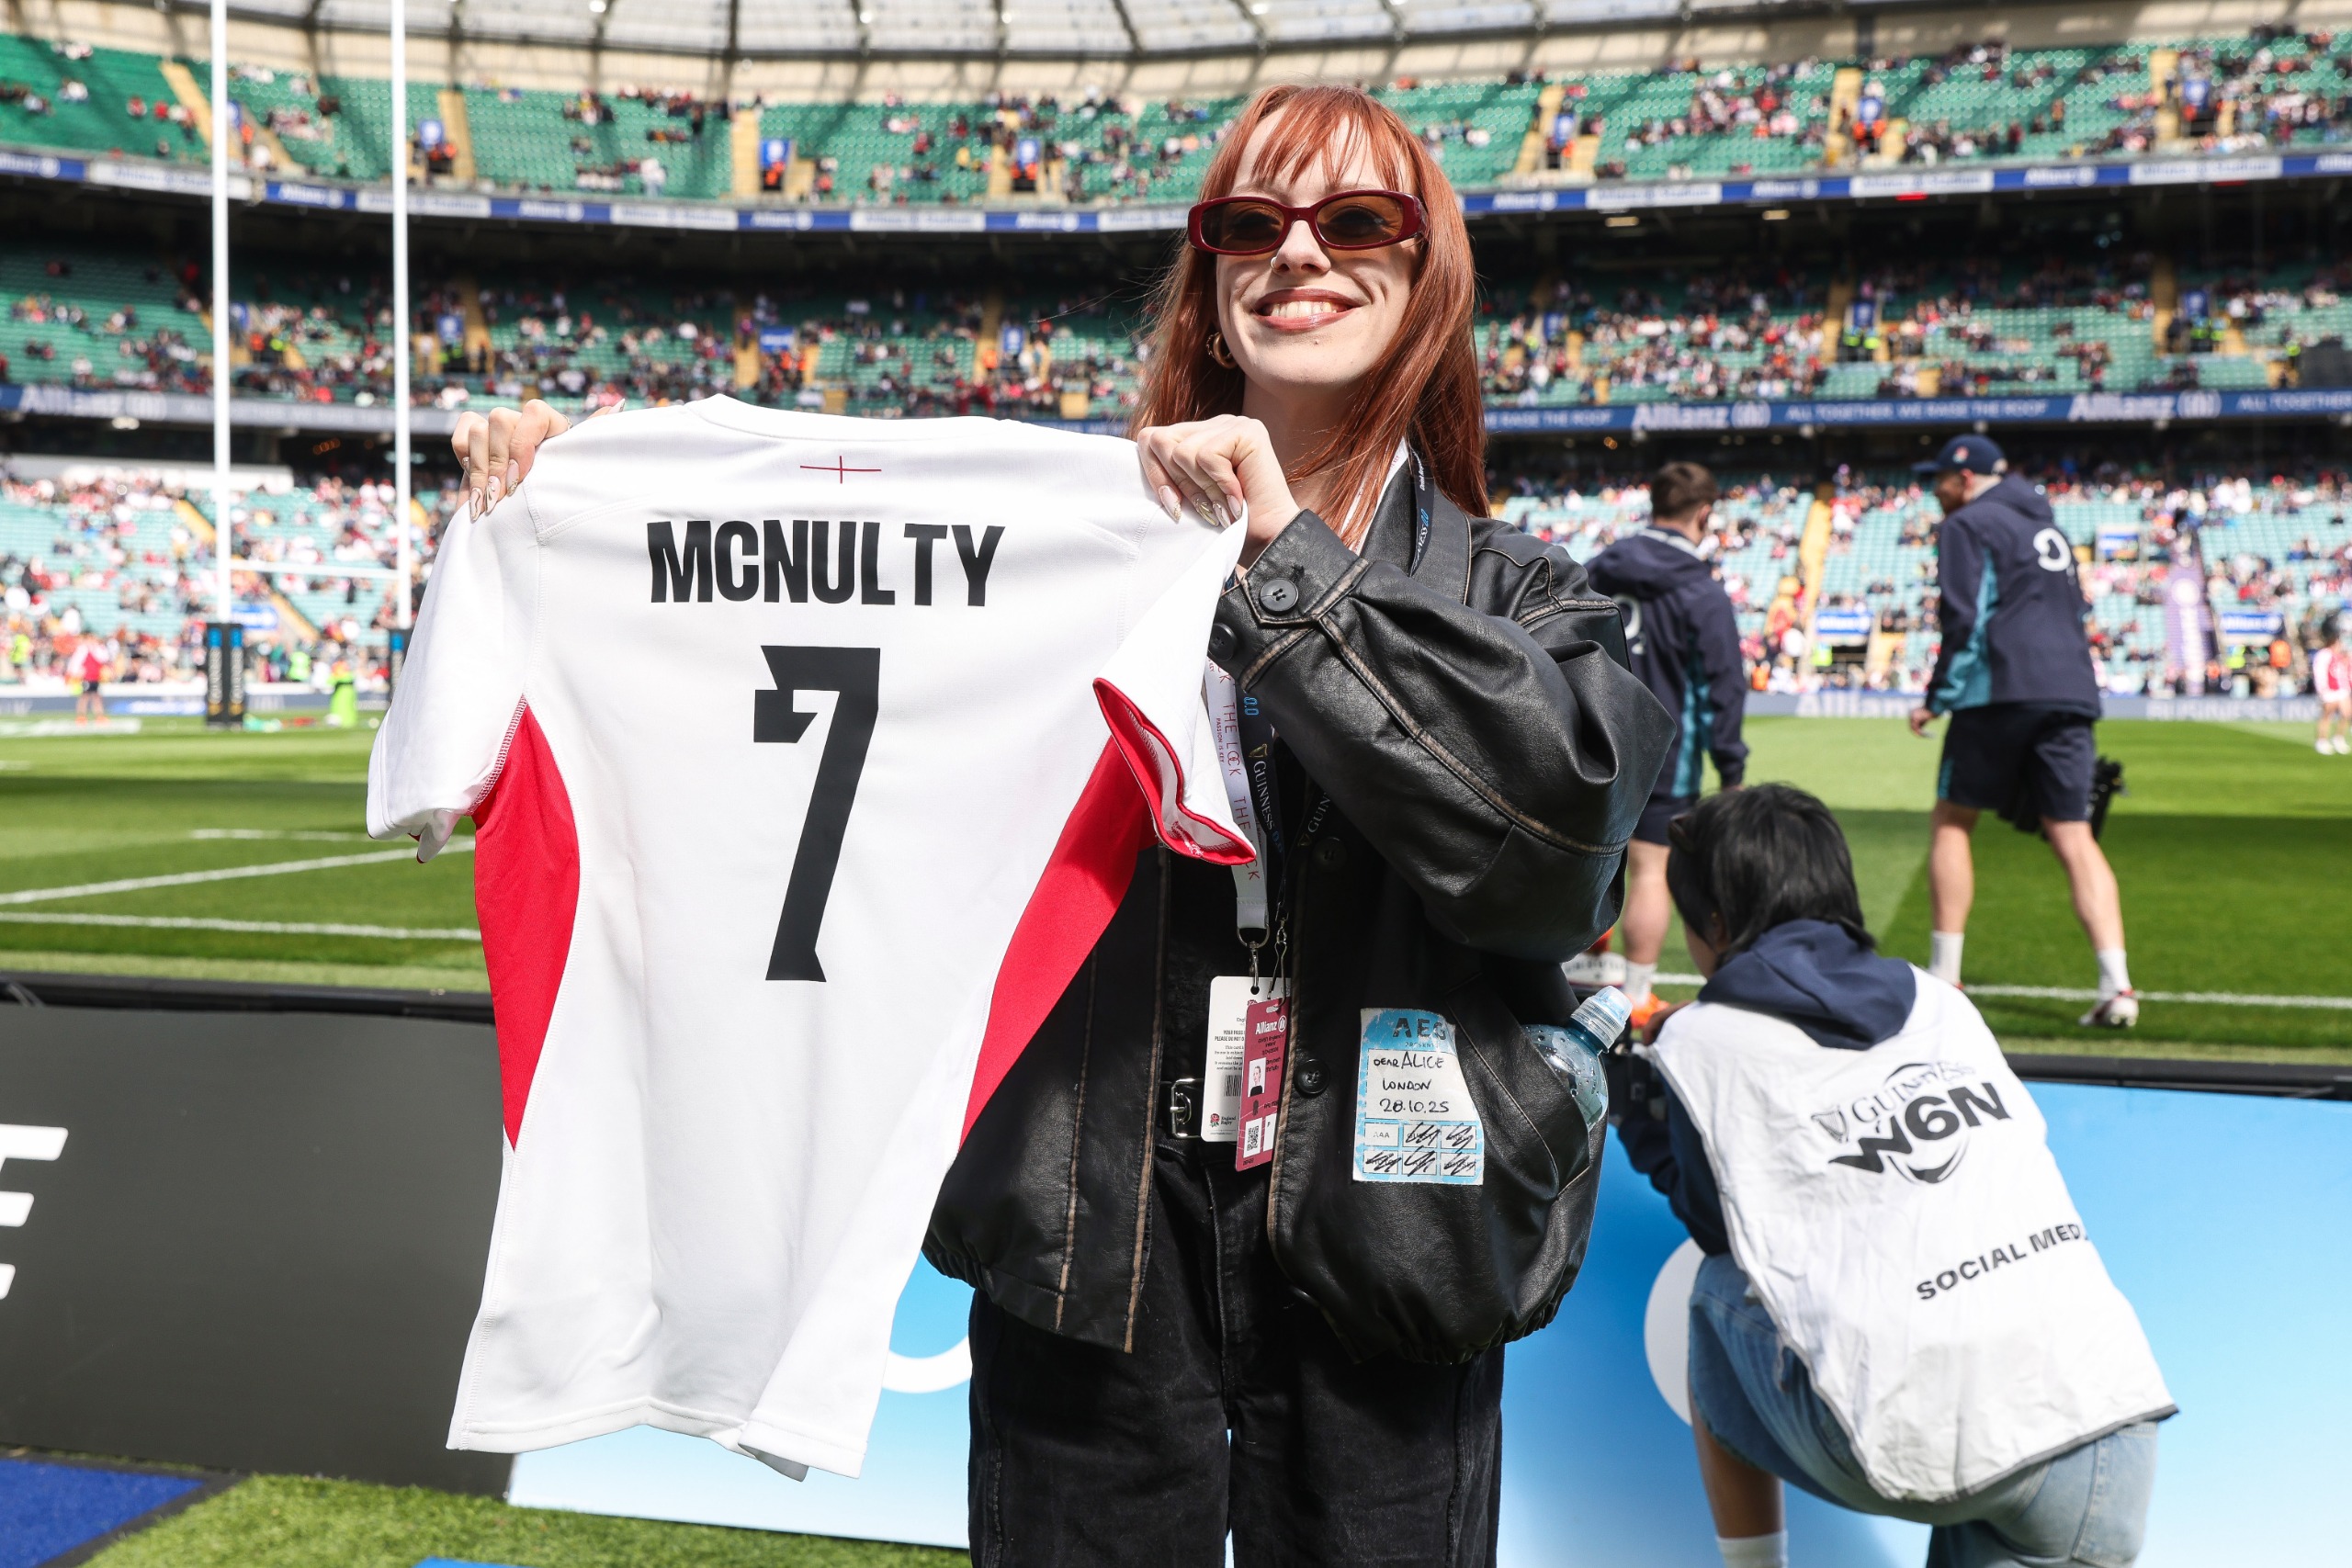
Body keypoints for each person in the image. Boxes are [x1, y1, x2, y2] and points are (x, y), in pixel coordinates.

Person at [451, 83, 1671, 1567]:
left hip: (1386, 1226)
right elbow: (825, 558)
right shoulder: (1072, 553)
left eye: (1357, 221)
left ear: (1429, 274)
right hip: (1097, 1217)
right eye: (1251, 224)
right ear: (1213, 283)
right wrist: (593, 492)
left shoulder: (1531, 595)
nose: (1300, 254)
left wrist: (1284, 562)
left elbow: (1550, 852)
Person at [1618, 785, 2171, 1568]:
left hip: (1923, 1446)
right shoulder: (1944, 1004)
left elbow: (1721, 1226)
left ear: (1712, 923)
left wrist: (1639, 1111)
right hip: (2108, 1429)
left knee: (1712, 1294)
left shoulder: (1704, 1043)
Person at [1905, 435, 2135, 1028]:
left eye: (1940, 479)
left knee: (1953, 821)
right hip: (2072, 691)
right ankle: (2119, 987)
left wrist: (1937, 699)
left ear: (1964, 478)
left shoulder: (1968, 524)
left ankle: (1945, 979)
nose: (1935, 490)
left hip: (2001, 689)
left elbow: (1966, 617)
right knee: (2075, 836)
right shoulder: (2050, 527)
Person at [1584, 461, 1747, 1027]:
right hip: (1663, 748)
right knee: (1652, 870)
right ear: (1704, 513)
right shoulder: (1701, 588)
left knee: (1585, 852)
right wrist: (1732, 767)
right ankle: (1635, 995)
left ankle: (1584, 952)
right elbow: (1725, 682)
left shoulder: (1596, 568)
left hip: (1588, 735)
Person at [2312, 615, 2350, 755]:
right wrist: (2322, 689)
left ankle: (2339, 738)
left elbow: (2344, 672)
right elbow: (2319, 672)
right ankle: (2321, 741)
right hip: (2329, 690)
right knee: (2327, 715)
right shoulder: (2324, 654)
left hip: (2341, 689)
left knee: (2346, 714)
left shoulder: (2341, 655)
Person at [67, 632, 109, 724]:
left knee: (96, 696)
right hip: (86, 677)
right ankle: (81, 716)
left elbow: (104, 658)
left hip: (95, 677)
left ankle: (99, 716)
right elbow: (75, 662)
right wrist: (75, 673)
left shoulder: (98, 649)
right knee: (85, 696)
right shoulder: (82, 649)